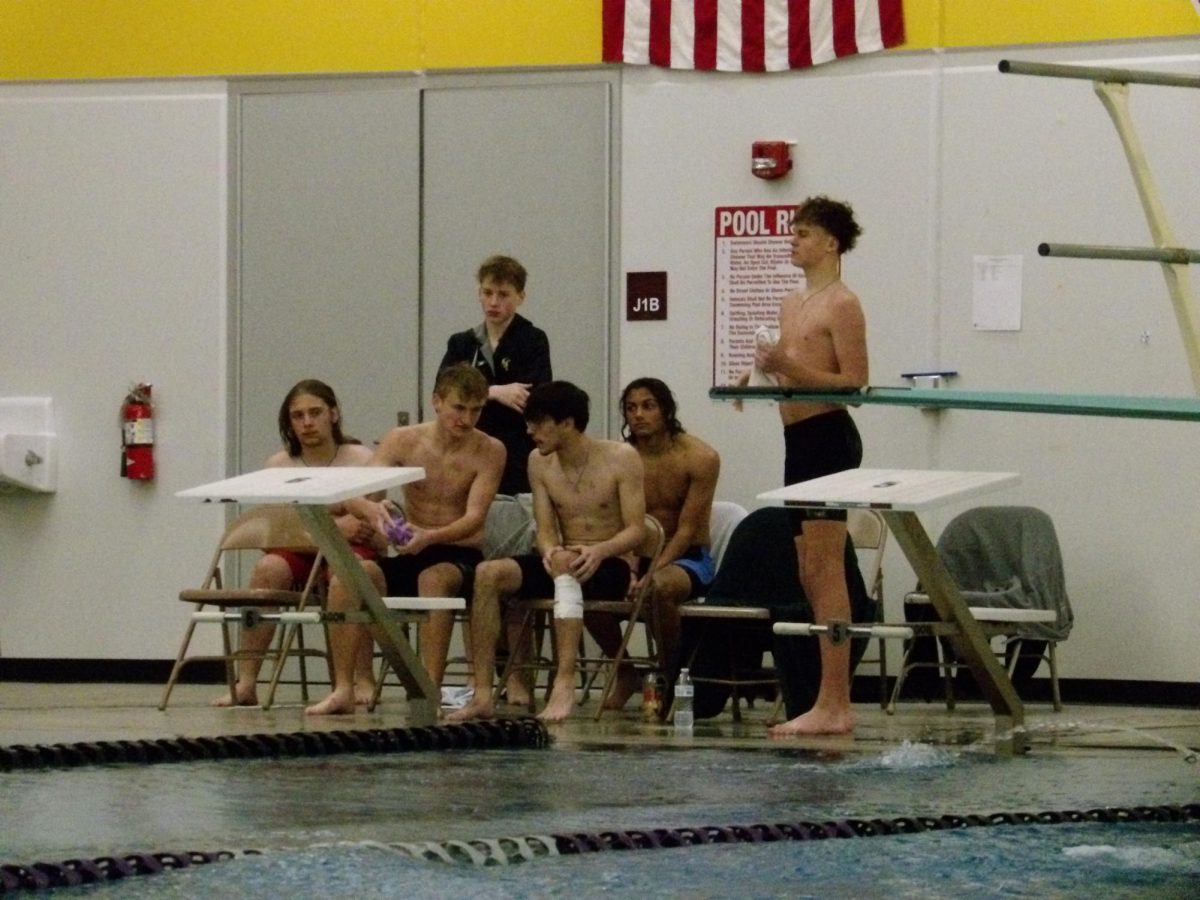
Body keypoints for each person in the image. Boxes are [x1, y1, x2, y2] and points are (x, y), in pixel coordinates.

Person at [305, 363, 505, 715]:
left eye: (476, 410)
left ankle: (427, 687)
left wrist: (430, 536)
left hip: (458, 553)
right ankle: (343, 687)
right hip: (412, 548)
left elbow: (475, 517)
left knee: (434, 578)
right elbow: (356, 493)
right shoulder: (403, 439)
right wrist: (374, 512)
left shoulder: (490, 450)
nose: (467, 419)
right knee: (349, 576)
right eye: (459, 408)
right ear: (437, 401)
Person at [448, 381, 645, 723]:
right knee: (487, 573)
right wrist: (549, 551)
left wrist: (599, 550)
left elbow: (636, 530)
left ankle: (563, 684)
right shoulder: (538, 463)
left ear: (567, 423)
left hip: (609, 561)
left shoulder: (620, 458)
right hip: (564, 561)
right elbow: (546, 528)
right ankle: (482, 693)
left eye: (538, 424)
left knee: (567, 564)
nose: (529, 432)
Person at [744, 195, 868, 737]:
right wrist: (758, 375)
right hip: (795, 440)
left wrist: (787, 364)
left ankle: (836, 701)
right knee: (809, 572)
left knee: (827, 569)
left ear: (831, 243)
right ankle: (826, 697)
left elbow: (855, 383)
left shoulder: (843, 304)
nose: (792, 240)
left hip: (828, 439)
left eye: (803, 233)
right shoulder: (792, 304)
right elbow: (790, 371)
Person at [211, 379, 377, 707]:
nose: (307, 422)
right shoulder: (279, 464)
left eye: (314, 413)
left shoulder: (361, 458)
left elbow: (366, 523)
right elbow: (279, 527)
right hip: (300, 549)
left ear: (334, 414)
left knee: (349, 573)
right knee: (266, 568)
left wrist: (329, 527)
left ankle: (362, 678)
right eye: (297, 416)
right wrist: (333, 526)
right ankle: (246, 682)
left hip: (349, 553)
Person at [588, 377, 720, 710]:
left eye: (648, 406)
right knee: (584, 583)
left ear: (666, 410)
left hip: (686, 559)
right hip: (634, 554)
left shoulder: (700, 457)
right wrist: (631, 567)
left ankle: (670, 675)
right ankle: (627, 672)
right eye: (631, 408)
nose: (639, 415)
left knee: (658, 589)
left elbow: (687, 530)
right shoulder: (619, 458)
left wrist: (652, 572)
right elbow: (618, 523)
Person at [440, 254, 552, 496]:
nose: (493, 302)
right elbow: (444, 392)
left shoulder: (533, 339)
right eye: (487, 292)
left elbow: (533, 396)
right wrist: (495, 391)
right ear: (478, 293)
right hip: (468, 445)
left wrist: (474, 392)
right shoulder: (462, 343)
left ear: (520, 297)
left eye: (503, 295)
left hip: (517, 452)